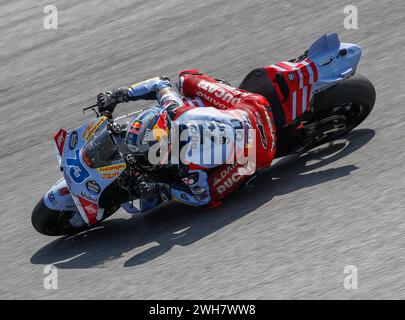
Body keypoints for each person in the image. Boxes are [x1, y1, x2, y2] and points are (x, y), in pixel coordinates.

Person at [96, 70, 277, 210]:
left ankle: (252, 167)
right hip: (252, 104)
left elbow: (202, 198)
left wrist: (162, 188)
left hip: (260, 152)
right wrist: (120, 94)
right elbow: (159, 83)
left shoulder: (186, 167)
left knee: (211, 197)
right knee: (185, 79)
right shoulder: (174, 110)